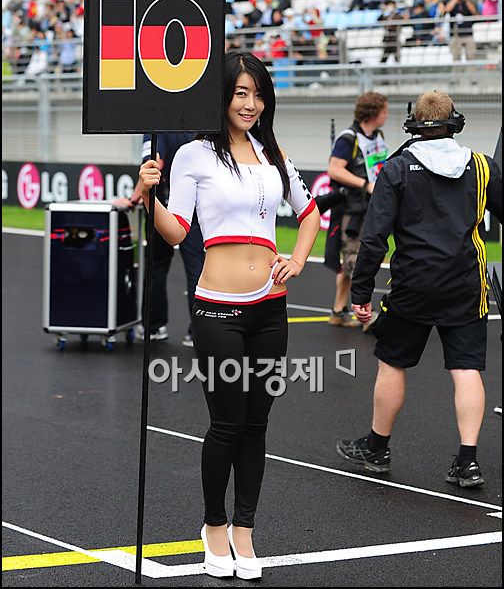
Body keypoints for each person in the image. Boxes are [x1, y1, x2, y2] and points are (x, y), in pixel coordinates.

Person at [138, 52, 320, 579]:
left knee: (257, 424)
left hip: (271, 306)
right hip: (217, 308)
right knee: (227, 422)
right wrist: (149, 195)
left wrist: (298, 259)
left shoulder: (272, 152)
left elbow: (310, 213)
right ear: (220, 95)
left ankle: (245, 529)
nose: (250, 104)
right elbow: (177, 231)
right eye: (241, 93)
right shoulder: (193, 154)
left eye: (258, 94)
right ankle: (214, 526)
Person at [337, 91, 502, 488]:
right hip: (466, 283)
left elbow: (374, 238)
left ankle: (377, 448)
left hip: (412, 285)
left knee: (392, 363)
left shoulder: (396, 168)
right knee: (466, 370)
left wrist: (360, 293)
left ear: (413, 125)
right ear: (455, 122)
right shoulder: (482, 166)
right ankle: (468, 461)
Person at [129, 133, 205, 346]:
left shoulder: (156, 126)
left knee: (156, 266)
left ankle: (153, 327)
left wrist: (133, 199)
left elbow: (154, 163)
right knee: (197, 268)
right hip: (195, 207)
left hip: (162, 206)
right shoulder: (199, 126)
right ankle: (198, 331)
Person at [325, 92, 389, 329]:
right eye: (384, 111)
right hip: (351, 211)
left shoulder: (377, 137)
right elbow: (334, 169)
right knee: (356, 261)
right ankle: (364, 314)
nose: (387, 115)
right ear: (373, 113)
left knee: (355, 262)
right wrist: (365, 185)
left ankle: (338, 311)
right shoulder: (348, 139)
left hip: (370, 208)